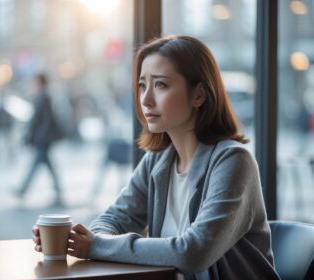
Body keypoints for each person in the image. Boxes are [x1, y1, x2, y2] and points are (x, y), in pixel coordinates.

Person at [32, 36, 279, 279]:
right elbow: (112, 220)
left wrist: (96, 246)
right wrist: (82, 239)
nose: (146, 99)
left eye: (160, 84)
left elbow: (193, 252)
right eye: (142, 85)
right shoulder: (158, 160)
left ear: (199, 96)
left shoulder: (234, 162)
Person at [15, 73, 64, 206]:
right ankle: (57, 191)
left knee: (38, 164)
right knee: (45, 164)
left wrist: (33, 136)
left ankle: (23, 189)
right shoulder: (44, 96)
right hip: (43, 138)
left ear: (40, 82)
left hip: (42, 138)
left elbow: (40, 120)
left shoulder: (43, 97)